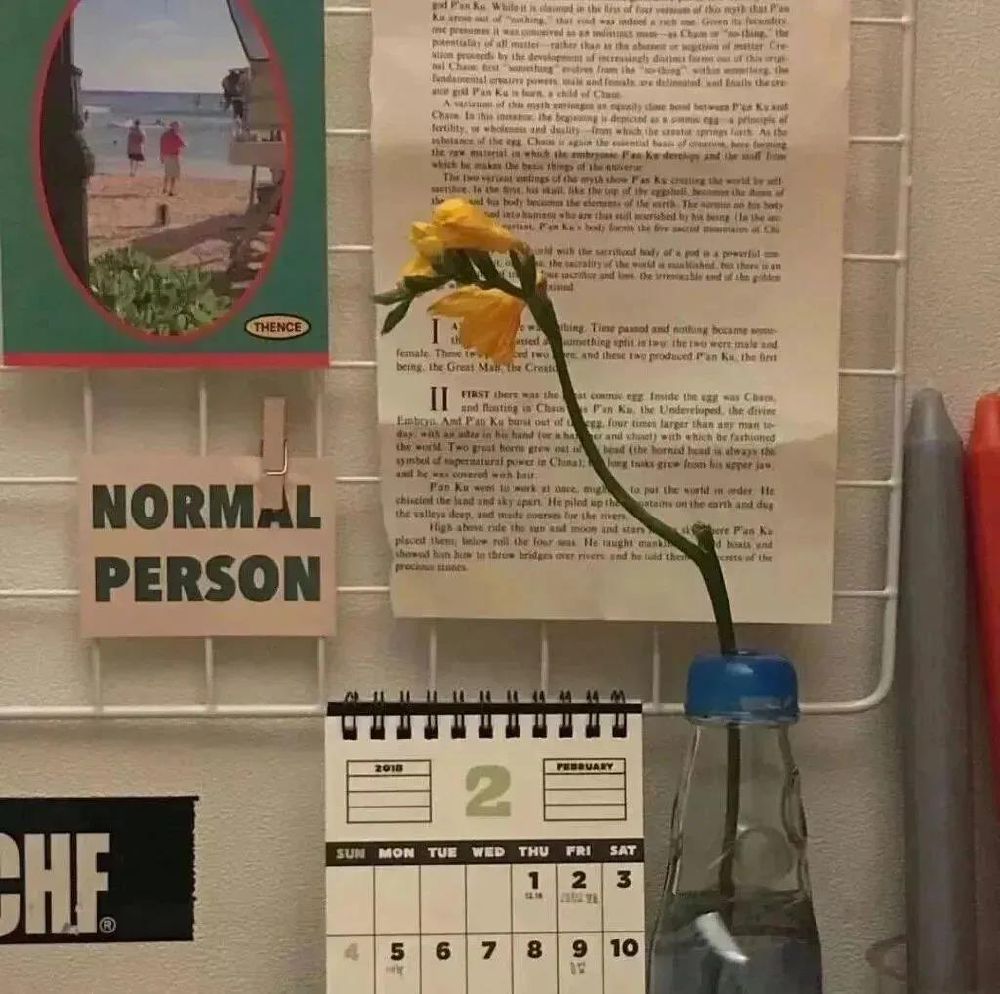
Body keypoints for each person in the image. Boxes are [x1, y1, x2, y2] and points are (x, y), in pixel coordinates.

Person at [159, 121, 186, 196]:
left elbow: (161, 146)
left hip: (166, 156)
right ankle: (171, 191)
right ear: (175, 127)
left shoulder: (164, 135)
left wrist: (161, 156)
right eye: (178, 126)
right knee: (173, 175)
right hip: (174, 157)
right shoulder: (176, 136)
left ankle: (164, 188)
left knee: (167, 173)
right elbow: (183, 144)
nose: (179, 128)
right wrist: (186, 144)